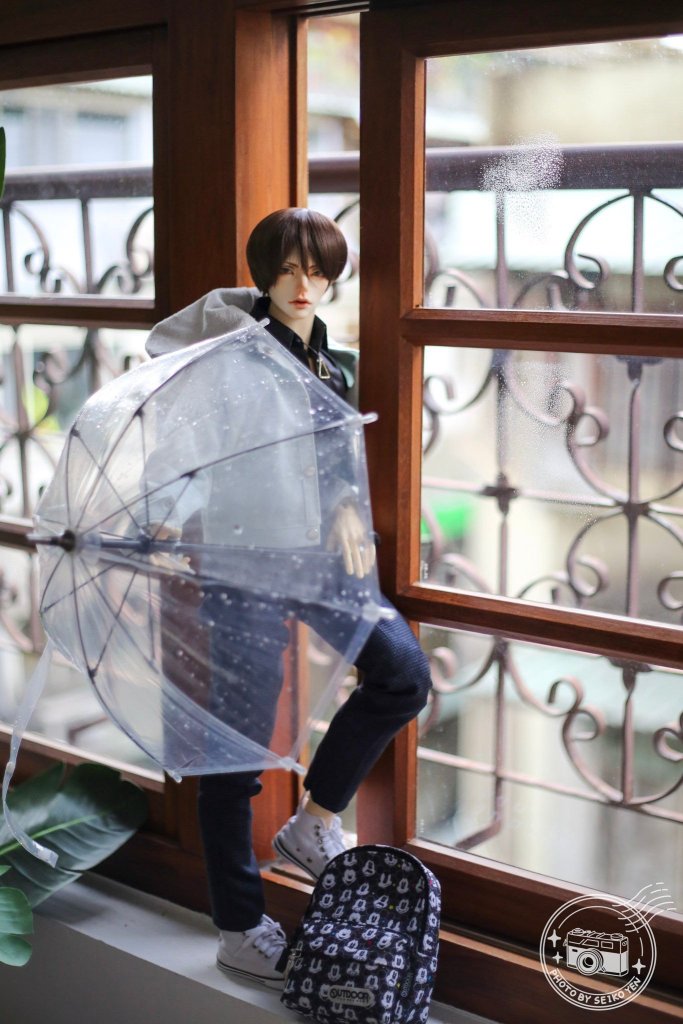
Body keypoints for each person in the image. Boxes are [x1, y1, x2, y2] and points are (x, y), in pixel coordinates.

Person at [145, 208, 432, 986]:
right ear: (262, 273)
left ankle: (315, 820)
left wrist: (345, 509)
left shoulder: (331, 358)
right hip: (240, 565)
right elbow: (174, 420)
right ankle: (238, 927)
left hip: (320, 561)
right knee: (235, 758)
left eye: (318, 270)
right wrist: (167, 517)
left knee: (402, 673)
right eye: (287, 269)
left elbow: (331, 450)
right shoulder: (230, 350)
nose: (304, 284)